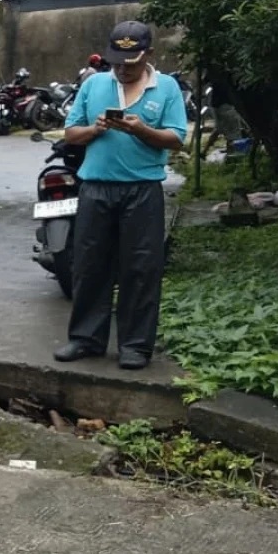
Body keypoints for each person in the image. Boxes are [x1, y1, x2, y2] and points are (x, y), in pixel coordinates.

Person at [55, 21, 187, 371]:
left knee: (141, 268)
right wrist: (94, 129)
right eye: (117, 60)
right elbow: (70, 133)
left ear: (149, 55)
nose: (123, 67)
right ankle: (85, 338)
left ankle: (135, 345)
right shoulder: (94, 84)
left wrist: (142, 130)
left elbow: (176, 137)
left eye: (131, 61)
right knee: (89, 265)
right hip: (96, 187)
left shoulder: (168, 88)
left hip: (142, 190)